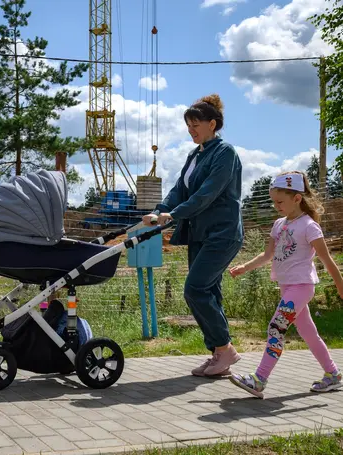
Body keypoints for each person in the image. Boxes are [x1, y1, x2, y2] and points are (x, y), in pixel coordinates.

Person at [143, 94, 244, 377]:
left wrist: (174, 215)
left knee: (195, 289)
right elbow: (180, 190)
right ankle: (218, 356)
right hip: (200, 234)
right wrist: (160, 209)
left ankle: (225, 349)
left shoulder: (225, 153)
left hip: (222, 233)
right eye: (188, 126)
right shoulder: (195, 155)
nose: (191, 130)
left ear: (212, 124)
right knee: (209, 291)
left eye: (195, 124)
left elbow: (207, 193)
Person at [228, 171, 343, 398]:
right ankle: (333, 375)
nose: (276, 206)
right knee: (309, 333)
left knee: (276, 326)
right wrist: (245, 267)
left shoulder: (309, 226)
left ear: (297, 198)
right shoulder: (279, 224)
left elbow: (326, 259)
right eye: (273, 202)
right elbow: (267, 254)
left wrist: (340, 284)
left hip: (301, 287)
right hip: (287, 286)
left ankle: (259, 379)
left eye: (280, 202)